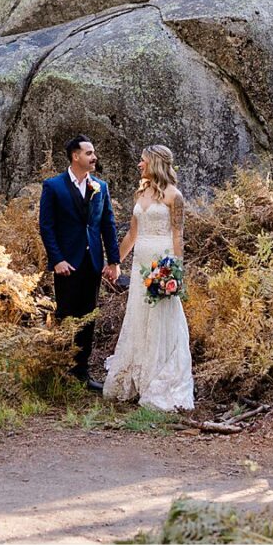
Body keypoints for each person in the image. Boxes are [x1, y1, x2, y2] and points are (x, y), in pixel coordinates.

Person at [103, 144, 194, 411]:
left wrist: (175, 270)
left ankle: (159, 379)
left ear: (155, 163)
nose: (139, 165)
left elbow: (178, 235)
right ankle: (137, 379)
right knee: (139, 316)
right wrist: (114, 261)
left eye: (143, 161)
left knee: (160, 319)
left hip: (161, 264)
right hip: (140, 263)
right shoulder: (141, 193)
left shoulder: (173, 196)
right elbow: (132, 234)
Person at [38, 135, 120, 389]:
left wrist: (114, 261)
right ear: (75, 156)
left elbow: (108, 225)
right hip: (67, 264)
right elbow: (47, 227)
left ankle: (82, 374)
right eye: (89, 153)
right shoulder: (53, 186)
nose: (94, 157)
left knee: (88, 318)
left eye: (93, 153)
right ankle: (61, 370)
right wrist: (57, 260)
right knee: (65, 315)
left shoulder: (100, 187)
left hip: (92, 263)